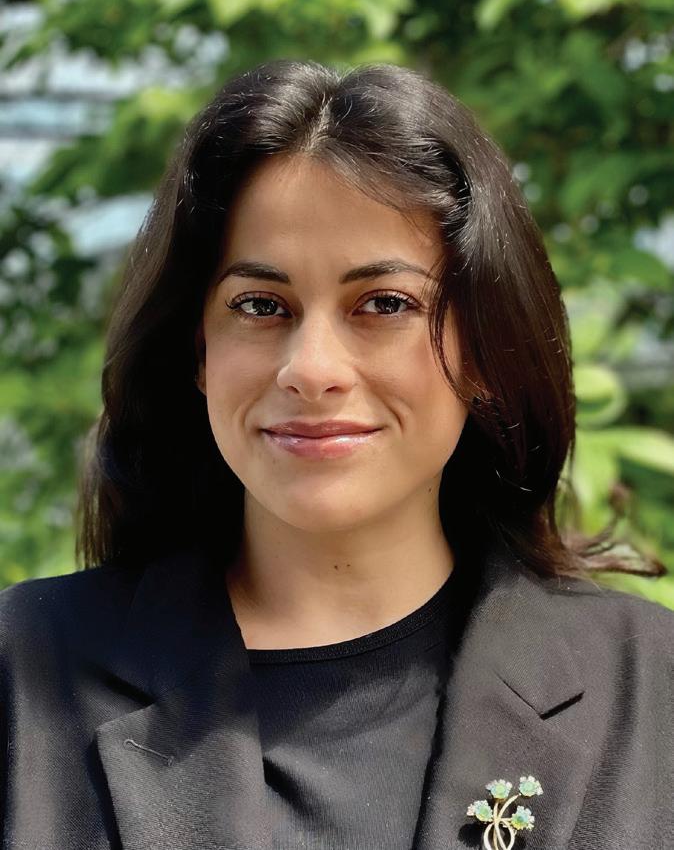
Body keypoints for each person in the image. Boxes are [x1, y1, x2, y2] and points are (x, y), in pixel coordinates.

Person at [1, 59, 672, 850]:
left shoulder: (649, 688)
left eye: (384, 304)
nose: (311, 369)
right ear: (198, 350)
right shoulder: (24, 670)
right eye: (261, 305)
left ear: (485, 349)